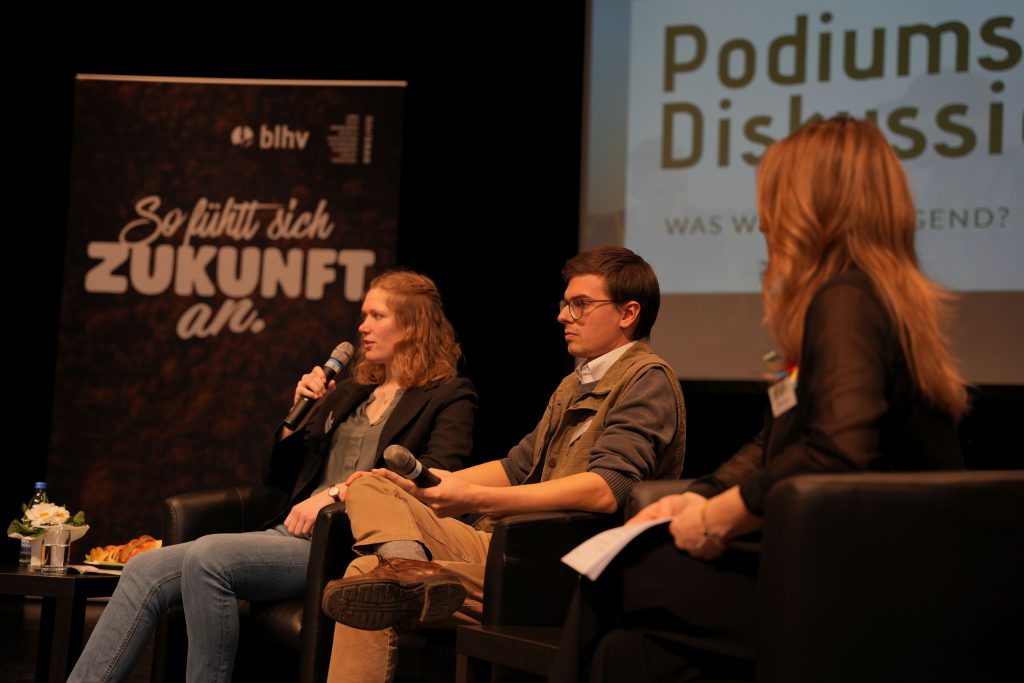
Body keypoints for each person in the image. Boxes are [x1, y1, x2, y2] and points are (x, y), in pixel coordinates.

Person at [552, 117, 969, 682]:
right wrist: (696, 496)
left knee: (610, 575)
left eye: (773, 198)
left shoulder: (845, 300)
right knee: (628, 654)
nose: (764, 220)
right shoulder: (873, 296)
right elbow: (774, 440)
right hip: (843, 550)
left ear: (811, 206)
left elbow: (836, 451)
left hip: (864, 574)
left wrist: (718, 516)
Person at [68, 271, 477, 683]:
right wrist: (296, 417)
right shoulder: (350, 391)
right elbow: (279, 478)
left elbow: (434, 477)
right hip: (291, 532)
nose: (363, 327)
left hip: (344, 541)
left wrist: (338, 493)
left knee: (209, 558)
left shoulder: (448, 395)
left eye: (377, 316)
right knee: (143, 569)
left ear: (411, 326)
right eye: (363, 315)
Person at [318, 246, 687, 683]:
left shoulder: (647, 380)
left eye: (580, 304)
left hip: (560, 567)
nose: (563, 316)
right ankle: (409, 568)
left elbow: (608, 489)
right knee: (374, 486)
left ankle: (407, 571)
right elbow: (516, 467)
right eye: (565, 303)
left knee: (367, 574)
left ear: (628, 313)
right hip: (513, 548)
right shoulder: (575, 382)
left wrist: (474, 498)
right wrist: (430, 486)